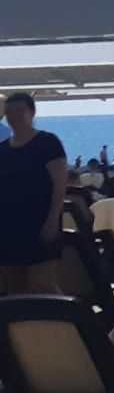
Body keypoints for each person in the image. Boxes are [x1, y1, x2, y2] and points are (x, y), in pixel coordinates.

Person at [0, 93, 67, 297]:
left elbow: (59, 185)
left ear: (32, 112)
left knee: (43, 283)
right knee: (14, 287)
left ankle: (68, 316)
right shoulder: (3, 149)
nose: (14, 116)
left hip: (40, 223)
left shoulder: (47, 142)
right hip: (8, 226)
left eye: (20, 110)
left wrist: (53, 220)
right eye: (10, 112)